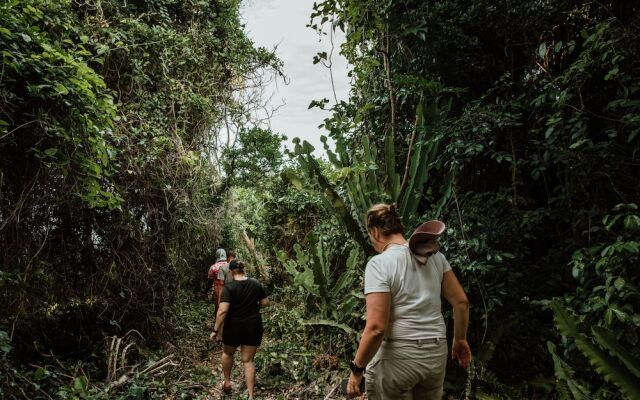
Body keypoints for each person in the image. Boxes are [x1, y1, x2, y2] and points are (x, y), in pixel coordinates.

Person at [347, 203, 472, 399]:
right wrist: (460, 339)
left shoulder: (379, 264)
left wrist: (357, 369)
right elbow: (461, 302)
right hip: (435, 356)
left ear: (375, 232)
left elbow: (376, 328)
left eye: (370, 237)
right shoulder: (435, 257)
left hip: (397, 358)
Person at [210, 260, 268, 399]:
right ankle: (250, 395)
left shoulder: (229, 287)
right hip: (253, 326)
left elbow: (223, 310)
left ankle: (228, 382)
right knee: (248, 361)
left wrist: (215, 330)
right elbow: (265, 302)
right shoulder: (256, 283)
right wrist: (254, 307)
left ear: (231, 272)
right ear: (243, 270)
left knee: (228, 353)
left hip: (233, 327)